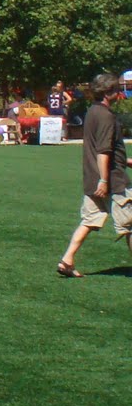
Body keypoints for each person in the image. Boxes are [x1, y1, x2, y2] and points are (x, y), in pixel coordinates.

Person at [57, 73, 129, 278]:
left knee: (89, 220)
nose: (119, 93)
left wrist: (126, 161)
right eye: (116, 89)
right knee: (130, 224)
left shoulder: (92, 112)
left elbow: (103, 148)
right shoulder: (106, 116)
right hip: (112, 180)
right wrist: (104, 180)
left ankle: (67, 260)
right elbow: (103, 151)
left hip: (92, 177)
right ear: (109, 92)